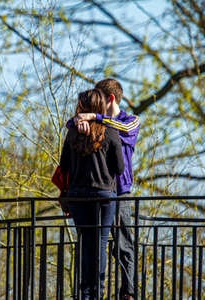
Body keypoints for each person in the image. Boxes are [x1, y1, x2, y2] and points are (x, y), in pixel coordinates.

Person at [71, 78, 140, 300]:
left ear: (109, 99)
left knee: (123, 244)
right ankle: (92, 292)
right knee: (93, 245)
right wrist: (77, 121)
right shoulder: (96, 123)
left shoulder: (129, 121)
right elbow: (70, 131)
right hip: (99, 191)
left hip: (119, 191)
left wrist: (95, 118)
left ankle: (127, 292)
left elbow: (123, 128)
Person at [60, 88, 125, 300]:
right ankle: (98, 292)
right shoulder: (110, 132)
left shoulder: (73, 134)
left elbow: (64, 166)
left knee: (85, 242)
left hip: (78, 195)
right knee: (101, 243)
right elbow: (120, 168)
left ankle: (86, 292)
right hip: (104, 195)